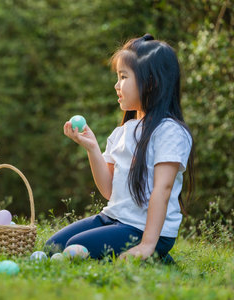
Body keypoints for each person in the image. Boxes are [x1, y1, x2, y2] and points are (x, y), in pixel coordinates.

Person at [45, 34, 194, 261]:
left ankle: (155, 255)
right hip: (114, 218)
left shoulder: (170, 132)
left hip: (144, 230)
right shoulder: (122, 132)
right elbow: (108, 191)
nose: (116, 85)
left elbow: (162, 191)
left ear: (151, 82)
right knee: (52, 246)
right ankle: (153, 257)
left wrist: (147, 244)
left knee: (75, 248)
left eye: (123, 77)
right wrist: (92, 148)